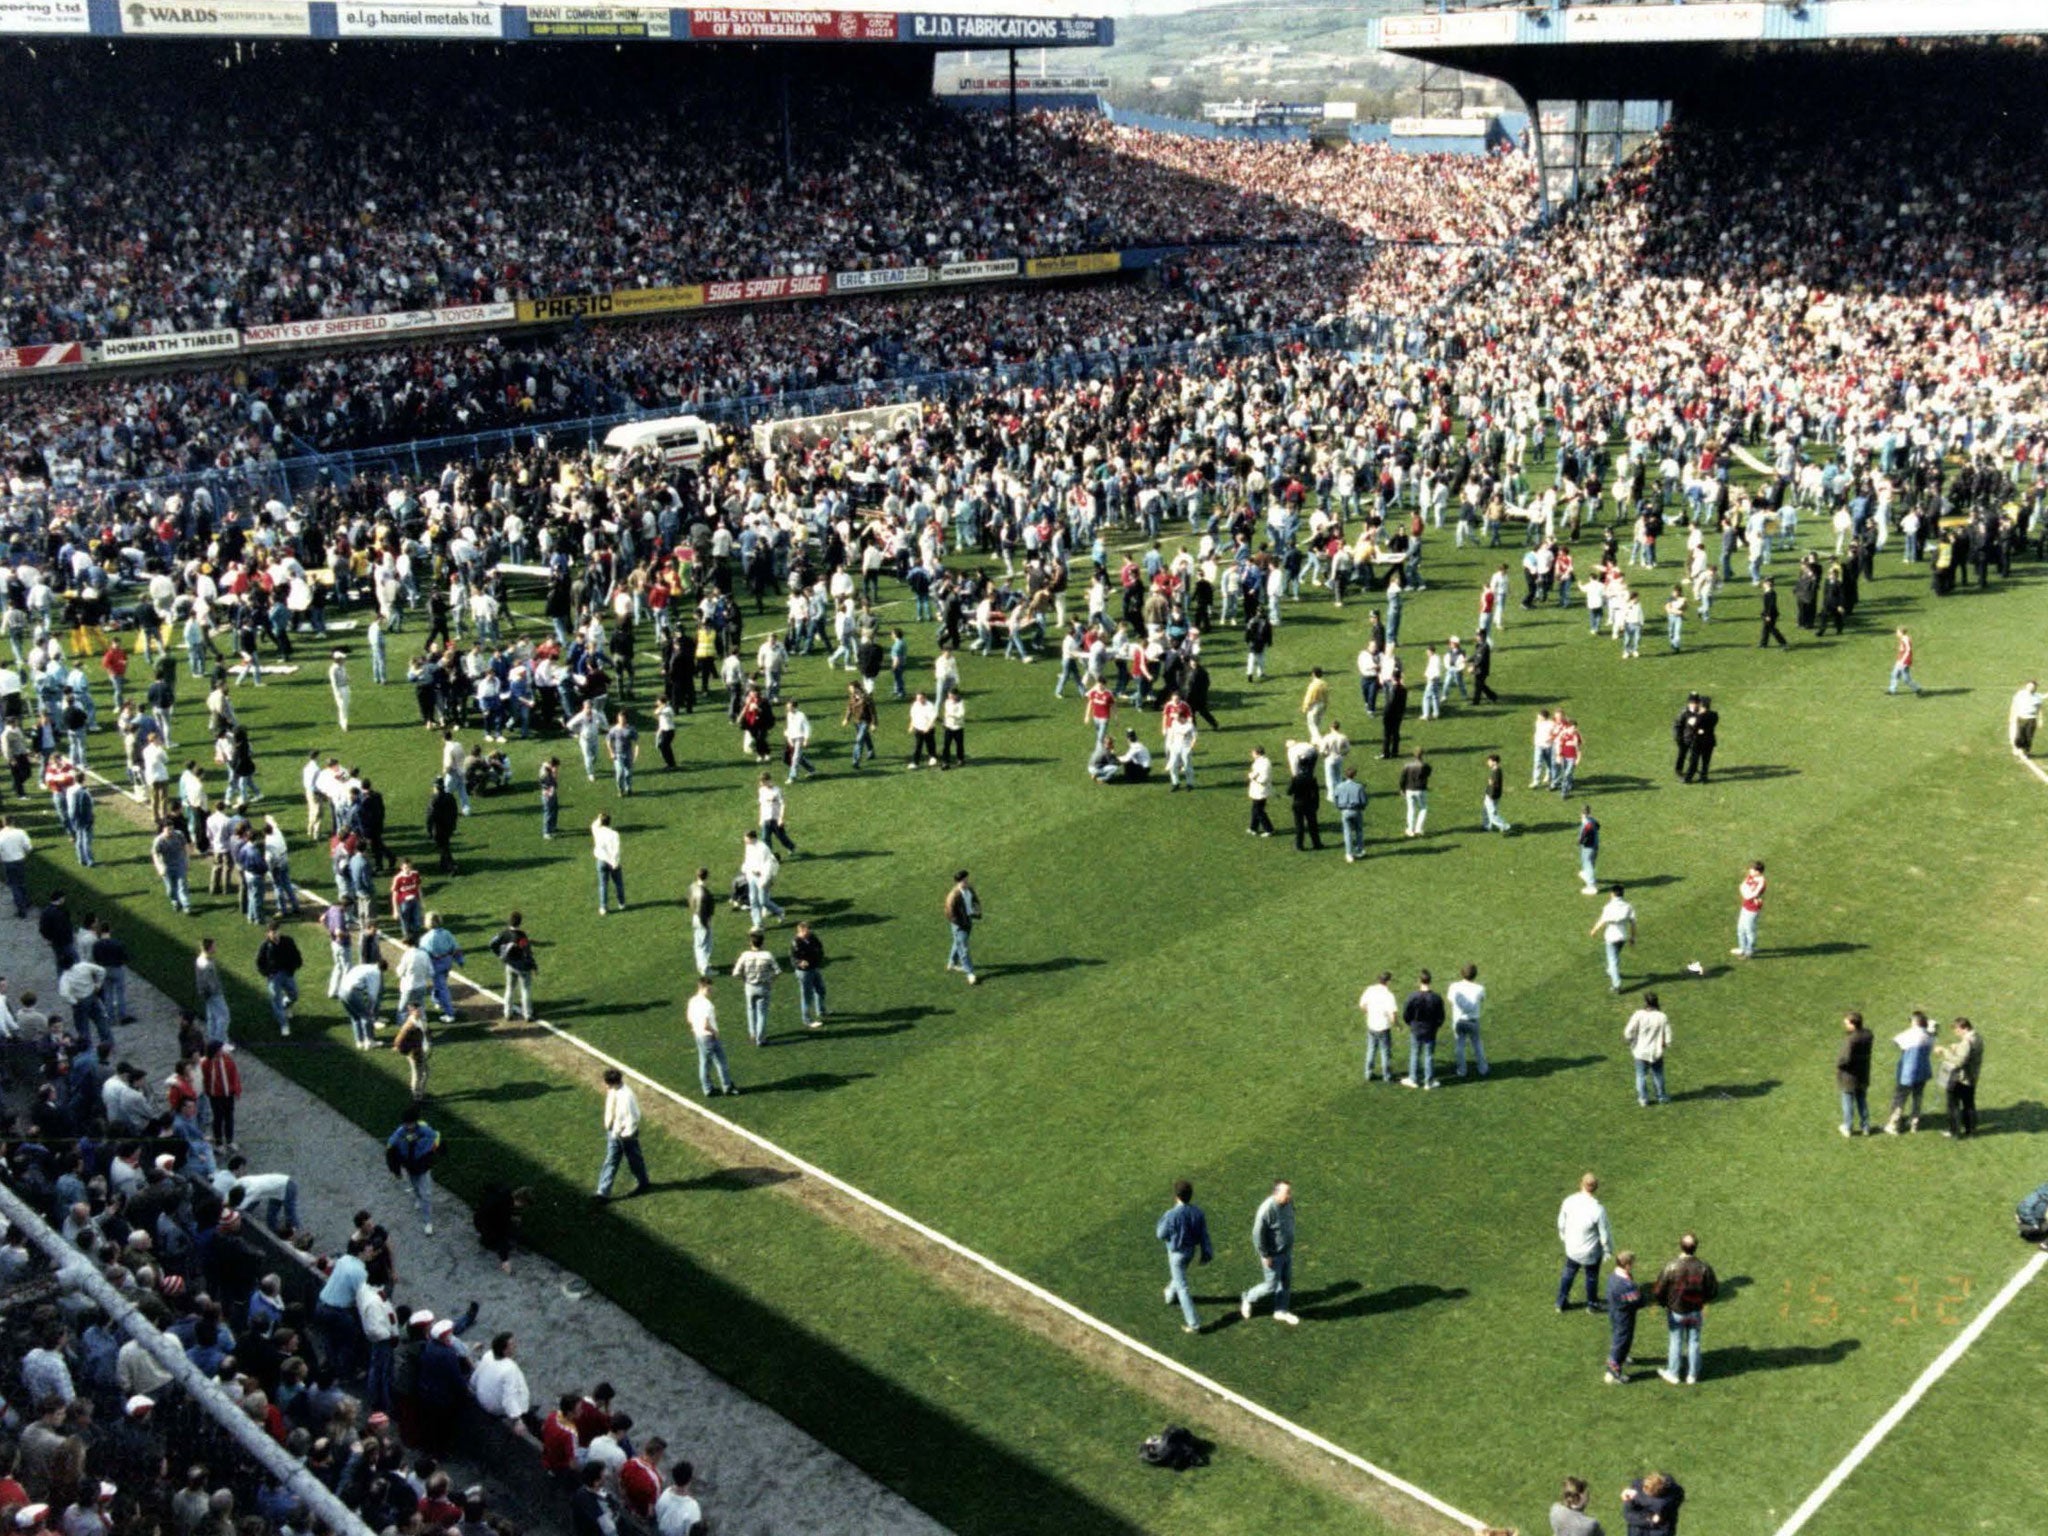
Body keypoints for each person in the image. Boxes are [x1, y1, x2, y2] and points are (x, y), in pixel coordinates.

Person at [1651, 1234, 1718, 1386]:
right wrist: (1702, 1300)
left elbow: (1658, 1290)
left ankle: (1673, 1373)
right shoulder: (1703, 1267)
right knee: (1694, 1342)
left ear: (1681, 1246)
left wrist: (1665, 1303)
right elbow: (1713, 1290)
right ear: (1696, 1247)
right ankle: (1692, 1375)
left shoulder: (1671, 1266)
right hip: (1695, 1311)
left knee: (1676, 1341)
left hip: (1676, 1311)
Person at [1155, 1179, 1212, 1335]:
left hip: (1176, 1253)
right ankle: (1169, 1294)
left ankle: (1193, 1323)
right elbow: (1204, 1235)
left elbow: (1160, 1234)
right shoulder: (1198, 1212)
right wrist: (1207, 1252)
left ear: (1176, 1196)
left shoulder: (1172, 1214)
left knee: (1182, 1287)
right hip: (1190, 1252)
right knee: (1178, 1278)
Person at [1239, 1179, 1298, 1325]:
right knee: (1271, 1285)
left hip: (1286, 1251)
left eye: (1289, 1192)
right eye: (1286, 1193)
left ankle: (1280, 1311)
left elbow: (1291, 1217)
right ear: (1276, 1193)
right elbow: (1257, 1235)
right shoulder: (1266, 1210)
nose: (1289, 1196)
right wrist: (1265, 1255)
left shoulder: (1289, 1203)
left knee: (1285, 1282)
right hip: (1273, 1255)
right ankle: (1248, 1297)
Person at [1556, 1172, 1612, 1314]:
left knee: (1568, 1273)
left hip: (1572, 1248)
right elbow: (1604, 1233)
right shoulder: (1598, 1209)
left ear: (1581, 1183)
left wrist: (1564, 1237)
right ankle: (1592, 1304)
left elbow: (1561, 1223)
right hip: (1590, 1251)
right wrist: (1607, 1249)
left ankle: (1560, 1302)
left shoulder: (1569, 1201)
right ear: (1596, 1187)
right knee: (1591, 1277)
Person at [594, 1067, 651, 1202]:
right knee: (611, 1159)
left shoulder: (627, 1097)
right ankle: (602, 1192)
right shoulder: (614, 1090)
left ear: (611, 1082)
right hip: (614, 1131)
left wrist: (625, 1134)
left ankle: (643, 1182)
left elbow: (634, 1117)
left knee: (634, 1159)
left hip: (625, 1134)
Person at [385, 1104, 440, 1235]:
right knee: (415, 1187)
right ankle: (418, 1198)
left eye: (411, 1124)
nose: (409, 1127)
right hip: (410, 1167)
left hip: (423, 1167)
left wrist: (423, 1145)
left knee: (426, 1193)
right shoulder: (399, 1134)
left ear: (415, 1122)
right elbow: (391, 1149)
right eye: (406, 1124)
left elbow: (435, 1137)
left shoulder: (424, 1130)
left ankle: (428, 1222)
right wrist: (396, 1170)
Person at [1882, 1011, 1936, 1134]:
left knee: (1900, 1098)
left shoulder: (1911, 1034)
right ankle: (1914, 1123)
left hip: (1908, 1073)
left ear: (1915, 1022)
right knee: (1918, 1096)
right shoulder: (1929, 1036)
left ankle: (1893, 1124)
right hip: (1923, 1071)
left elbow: (1895, 1041)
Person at [686, 978, 736, 1099]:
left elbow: (689, 1018)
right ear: (703, 988)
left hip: (699, 1035)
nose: (711, 991)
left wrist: (696, 1028)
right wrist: (714, 1032)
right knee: (720, 1061)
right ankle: (727, 1086)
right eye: (709, 988)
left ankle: (707, 1088)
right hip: (709, 1036)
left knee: (704, 1063)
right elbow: (706, 1024)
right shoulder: (707, 1004)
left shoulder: (692, 1001)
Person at [731, 929, 781, 1046]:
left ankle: (752, 1034)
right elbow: (778, 971)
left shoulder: (745, 955)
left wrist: (744, 980)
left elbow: (735, 973)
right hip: (764, 986)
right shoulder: (767, 955)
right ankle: (760, 1039)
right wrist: (770, 981)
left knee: (751, 1010)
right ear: (762, 943)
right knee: (762, 1013)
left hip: (749, 986)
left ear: (751, 943)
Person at [254, 921, 303, 1037]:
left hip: (287, 973)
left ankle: (286, 1005)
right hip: (273, 977)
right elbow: (259, 963)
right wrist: (267, 974)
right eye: (273, 932)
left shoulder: (288, 941)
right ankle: (284, 1025)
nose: (276, 934)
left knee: (294, 994)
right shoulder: (265, 946)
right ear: (268, 934)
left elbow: (296, 954)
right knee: (276, 1000)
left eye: (277, 931)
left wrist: (297, 964)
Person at [1937, 1016, 1983, 1140]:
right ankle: (1970, 1131)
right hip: (1972, 1077)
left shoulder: (1966, 1042)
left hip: (1961, 1079)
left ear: (1963, 1028)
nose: (1956, 1034)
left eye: (1957, 1031)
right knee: (1969, 1105)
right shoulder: (1977, 1037)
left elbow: (1959, 1062)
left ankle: (1954, 1132)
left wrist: (1944, 1051)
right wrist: (1957, 1047)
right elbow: (1970, 1052)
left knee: (1953, 1106)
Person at [1604, 1251, 1645, 1386]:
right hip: (1625, 1316)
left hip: (1614, 1312)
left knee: (1618, 1336)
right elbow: (1639, 1301)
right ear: (1627, 1265)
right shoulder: (1626, 1285)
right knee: (1622, 1341)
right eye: (1632, 1263)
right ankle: (1613, 1371)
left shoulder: (1612, 1277)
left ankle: (1621, 1357)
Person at [1624, 994, 1671, 1107]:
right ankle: (1661, 1096)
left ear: (1646, 1002)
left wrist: (1629, 1039)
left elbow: (1628, 1031)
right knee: (1658, 1075)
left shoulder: (1638, 1015)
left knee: (1641, 1076)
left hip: (1640, 1051)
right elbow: (1668, 1034)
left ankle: (1643, 1099)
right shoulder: (1662, 1016)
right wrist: (1666, 1044)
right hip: (1656, 1051)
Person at [490, 912, 538, 1022]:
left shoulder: (503, 934)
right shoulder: (521, 936)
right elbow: (527, 952)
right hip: (522, 967)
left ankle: (507, 1013)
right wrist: (533, 965)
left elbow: (492, 944)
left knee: (509, 989)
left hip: (510, 965)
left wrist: (500, 954)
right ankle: (528, 1014)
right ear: (520, 922)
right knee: (525, 990)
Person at [1401, 968, 1444, 1089]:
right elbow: (1441, 1016)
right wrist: (1436, 1026)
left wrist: (1411, 1024)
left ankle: (1413, 1079)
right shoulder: (1436, 998)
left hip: (1416, 1029)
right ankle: (1428, 1082)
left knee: (1415, 1053)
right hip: (1430, 1030)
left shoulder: (1413, 997)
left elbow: (1406, 1014)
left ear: (1419, 981)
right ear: (1430, 981)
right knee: (1429, 1055)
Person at [1589, 885, 1637, 992]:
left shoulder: (1609, 907)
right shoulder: (1628, 906)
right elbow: (1633, 923)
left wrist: (1594, 930)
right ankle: (1611, 971)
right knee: (1615, 957)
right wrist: (1633, 937)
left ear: (1612, 894)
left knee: (1612, 960)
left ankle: (1617, 985)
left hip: (1611, 937)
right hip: (1623, 937)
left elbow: (1602, 920)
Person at [1836, 1011, 1874, 1137]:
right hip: (1863, 1073)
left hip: (1849, 1076)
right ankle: (1866, 1127)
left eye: (1847, 1023)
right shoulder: (1868, 1034)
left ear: (1853, 1025)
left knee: (1847, 1101)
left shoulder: (1851, 1039)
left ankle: (1847, 1127)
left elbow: (1845, 1059)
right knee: (1862, 1100)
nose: (1845, 1025)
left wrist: (1839, 1065)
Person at [1448, 963, 1488, 1079]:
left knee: (1459, 1045)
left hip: (1459, 1021)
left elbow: (1451, 1000)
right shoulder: (1480, 988)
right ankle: (1483, 1069)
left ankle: (1462, 1070)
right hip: (1473, 1021)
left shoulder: (1454, 986)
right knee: (1477, 1045)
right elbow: (1482, 999)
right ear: (1475, 975)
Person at [1358, 970, 1397, 1083]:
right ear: (1388, 981)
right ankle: (1387, 1076)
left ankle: (1368, 1073)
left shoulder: (1370, 990)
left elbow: (1362, 1005)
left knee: (1371, 1049)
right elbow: (1393, 1016)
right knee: (1385, 1052)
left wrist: (1368, 1013)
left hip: (1371, 1025)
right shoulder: (1388, 995)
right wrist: (1397, 1025)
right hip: (1383, 1027)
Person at [944, 870, 981, 984]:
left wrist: (977, 910)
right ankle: (970, 973)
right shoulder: (953, 896)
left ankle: (952, 963)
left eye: (967, 879)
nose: (967, 882)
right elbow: (949, 913)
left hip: (968, 921)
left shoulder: (969, 889)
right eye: (964, 880)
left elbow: (974, 899)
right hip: (960, 925)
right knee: (963, 948)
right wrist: (960, 924)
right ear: (958, 882)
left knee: (958, 943)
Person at [790, 921, 826, 1029]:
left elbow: (819, 946)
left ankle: (821, 1011)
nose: (809, 932)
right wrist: (800, 963)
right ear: (800, 930)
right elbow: (793, 959)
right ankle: (807, 1020)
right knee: (806, 996)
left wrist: (818, 956)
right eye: (806, 930)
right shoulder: (795, 942)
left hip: (814, 968)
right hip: (804, 972)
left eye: (809, 930)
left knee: (821, 989)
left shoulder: (812, 937)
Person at [393, 1003, 432, 1101]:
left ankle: (419, 1093)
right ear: (411, 1011)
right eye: (417, 1010)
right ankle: (417, 1096)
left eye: (421, 1010)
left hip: (420, 1052)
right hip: (415, 1054)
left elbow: (425, 1031)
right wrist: (408, 1052)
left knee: (424, 1073)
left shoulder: (420, 1020)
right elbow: (398, 1042)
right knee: (419, 1075)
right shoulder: (409, 1025)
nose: (420, 1012)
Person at [1287, 751, 1323, 851]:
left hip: (1298, 803)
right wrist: (1316, 804)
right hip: (1309, 804)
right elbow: (1316, 793)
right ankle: (1317, 843)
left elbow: (1289, 792)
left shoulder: (1296, 778)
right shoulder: (1311, 778)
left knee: (1299, 826)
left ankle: (1299, 845)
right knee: (1313, 825)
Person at [591, 813, 625, 915]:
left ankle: (603, 907)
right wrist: (615, 863)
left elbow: (594, 824)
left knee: (603, 885)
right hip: (612, 862)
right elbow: (616, 850)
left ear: (601, 822)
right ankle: (621, 903)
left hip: (601, 860)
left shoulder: (597, 830)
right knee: (618, 884)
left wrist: (599, 817)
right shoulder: (614, 834)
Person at [1331, 766, 1367, 862]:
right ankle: (1359, 850)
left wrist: (1339, 808)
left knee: (1347, 832)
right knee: (1359, 831)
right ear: (1354, 775)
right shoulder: (1359, 786)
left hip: (1345, 811)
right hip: (1356, 810)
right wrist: (1362, 808)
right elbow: (1363, 801)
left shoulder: (1339, 786)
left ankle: (1349, 854)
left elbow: (1336, 799)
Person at [687, 867, 717, 978]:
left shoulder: (692, 886)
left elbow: (690, 901)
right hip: (702, 919)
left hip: (695, 917)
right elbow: (705, 910)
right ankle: (705, 968)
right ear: (706, 876)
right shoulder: (705, 892)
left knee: (698, 944)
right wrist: (706, 923)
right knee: (705, 944)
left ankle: (700, 965)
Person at [1732, 861, 1766, 957]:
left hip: (1753, 909)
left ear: (1758, 872)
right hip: (1745, 906)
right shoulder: (1751, 877)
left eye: (1752, 870)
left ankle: (1750, 950)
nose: (1750, 871)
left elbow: (1749, 895)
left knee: (1749, 930)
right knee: (1740, 929)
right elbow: (1742, 886)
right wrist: (1745, 891)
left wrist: (1745, 891)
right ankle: (1742, 948)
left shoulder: (1761, 882)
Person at [1398, 747, 1430, 838]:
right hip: (1420, 789)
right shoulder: (1425, 766)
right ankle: (1419, 828)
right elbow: (1428, 774)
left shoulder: (1407, 766)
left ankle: (1410, 829)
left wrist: (1402, 789)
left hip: (1409, 789)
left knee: (1411, 809)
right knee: (1423, 808)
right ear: (1422, 755)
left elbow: (1402, 779)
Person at [1246, 746, 1275, 836]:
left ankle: (1269, 829)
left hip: (1261, 790)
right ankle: (1253, 828)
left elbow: (1263, 779)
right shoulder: (1262, 761)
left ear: (1257, 753)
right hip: (1258, 790)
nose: (1252, 754)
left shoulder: (1264, 763)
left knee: (1259, 810)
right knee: (1255, 809)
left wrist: (1252, 777)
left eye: (1253, 753)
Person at [1480, 753, 1511, 834]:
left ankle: (1505, 826)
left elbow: (1494, 785)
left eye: (1489, 761)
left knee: (1492, 814)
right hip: (1493, 795)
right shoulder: (1496, 770)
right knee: (1485, 811)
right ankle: (1486, 826)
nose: (1488, 763)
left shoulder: (1496, 772)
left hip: (1492, 796)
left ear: (1494, 762)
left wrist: (1490, 794)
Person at [1888, 627, 1923, 695]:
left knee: (1905, 678)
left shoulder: (1905, 639)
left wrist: (1902, 661)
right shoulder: (1903, 639)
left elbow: (1908, 650)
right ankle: (1892, 690)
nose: (1896, 634)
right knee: (1894, 674)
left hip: (1904, 661)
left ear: (1901, 632)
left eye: (1897, 632)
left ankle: (1917, 688)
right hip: (1900, 660)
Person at [2011, 680, 2043, 756]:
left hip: (2031, 719)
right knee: (2020, 735)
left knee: (2029, 736)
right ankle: (2018, 747)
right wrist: (2012, 716)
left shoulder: (2037, 697)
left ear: (2035, 688)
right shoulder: (2020, 694)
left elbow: (2039, 708)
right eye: (2029, 686)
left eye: (2033, 687)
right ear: (2026, 686)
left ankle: (2027, 751)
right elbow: (2014, 705)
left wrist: (2040, 719)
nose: (2031, 688)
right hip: (2021, 717)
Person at [1576, 805, 1601, 895]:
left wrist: (1580, 841)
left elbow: (1583, 836)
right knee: (1589, 861)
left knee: (1588, 863)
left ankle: (1591, 886)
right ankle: (1587, 874)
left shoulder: (1587, 823)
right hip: (1595, 844)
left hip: (1588, 846)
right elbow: (1598, 826)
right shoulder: (1592, 820)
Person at [1758, 575, 1788, 648]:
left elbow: (1771, 606)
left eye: (1765, 582)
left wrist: (1768, 615)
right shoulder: (1767, 592)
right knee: (1766, 629)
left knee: (1772, 629)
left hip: (1771, 614)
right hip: (1767, 614)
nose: (1763, 584)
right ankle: (1763, 643)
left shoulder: (1771, 593)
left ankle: (1783, 643)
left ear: (1768, 584)